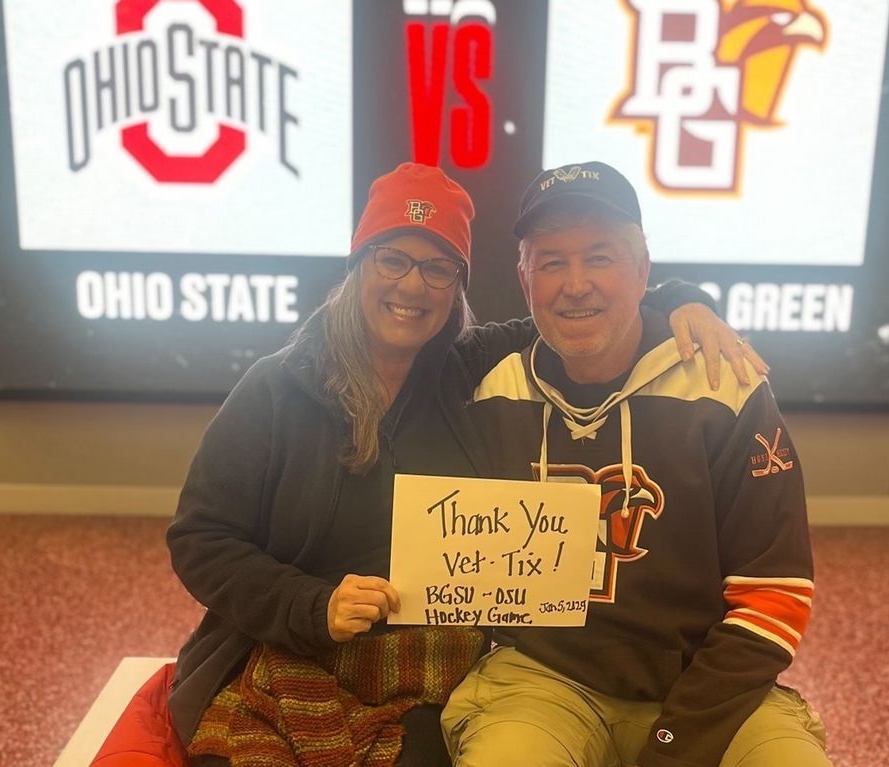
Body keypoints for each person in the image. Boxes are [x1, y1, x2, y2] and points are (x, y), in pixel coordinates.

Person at [166, 162, 761, 767]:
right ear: (359, 265)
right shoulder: (275, 387)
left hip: (426, 661)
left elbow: (586, 305)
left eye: (438, 268)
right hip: (284, 647)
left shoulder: (470, 367)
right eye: (393, 259)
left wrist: (687, 302)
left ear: (457, 287)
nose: (413, 285)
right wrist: (313, 606)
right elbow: (200, 539)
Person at [441, 161, 829, 767]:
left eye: (600, 258)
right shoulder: (490, 390)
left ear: (643, 270)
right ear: (524, 279)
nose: (575, 284)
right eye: (551, 263)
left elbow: (775, 594)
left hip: (707, 685)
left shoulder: (723, 385)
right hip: (543, 680)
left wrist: (674, 743)